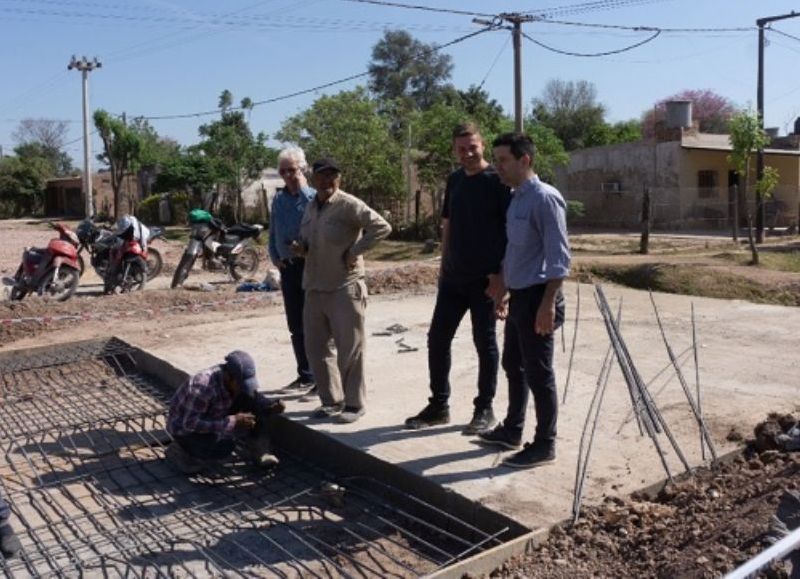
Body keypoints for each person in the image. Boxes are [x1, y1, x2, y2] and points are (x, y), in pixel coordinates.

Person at [405, 122, 511, 434]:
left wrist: (502, 279)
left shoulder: (498, 181)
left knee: (485, 343)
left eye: (472, 147)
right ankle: (439, 405)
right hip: (453, 279)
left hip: (485, 281)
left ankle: (485, 408)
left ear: (482, 145)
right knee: (437, 340)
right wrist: (442, 265)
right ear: (455, 149)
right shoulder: (454, 180)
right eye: (461, 148)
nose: (467, 153)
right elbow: (447, 224)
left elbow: (511, 233)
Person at [477, 132, 571, 469]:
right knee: (512, 365)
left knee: (538, 372)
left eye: (503, 160)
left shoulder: (545, 198)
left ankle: (545, 443)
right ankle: (512, 429)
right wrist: (504, 286)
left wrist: (548, 304)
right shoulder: (516, 197)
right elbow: (515, 249)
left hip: (538, 299)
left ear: (524, 160)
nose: (497, 167)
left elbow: (559, 258)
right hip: (520, 296)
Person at [295, 157, 391, 424]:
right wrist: (300, 247)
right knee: (316, 348)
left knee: (350, 348)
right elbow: (308, 240)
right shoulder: (311, 207)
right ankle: (330, 400)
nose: (327, 181)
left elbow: (382, 227)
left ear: (339, 179)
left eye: (332, 176)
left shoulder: (349, 204)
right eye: (322, 176)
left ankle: (354, 404)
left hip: (344, 286)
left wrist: (355, 251)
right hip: (314, 285)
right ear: (312, 179)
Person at [166, 350, 285, 473]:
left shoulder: (234, 383)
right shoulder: (202, 386)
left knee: (251, 400)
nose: (242, 388)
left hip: (213, 415)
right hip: (185, 431)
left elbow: (253, 397)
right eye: (239, 384)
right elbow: (190, 424)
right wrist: (233, 421)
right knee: (223, 447)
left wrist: (269, 406)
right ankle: (179, 450)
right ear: (228, 376)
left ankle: (260, 451)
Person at [268, 147, 316, 395]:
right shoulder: (278, 199)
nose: (287, 175)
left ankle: (321, 378)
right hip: (288, 268)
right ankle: (305, 374)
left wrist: (303, 187)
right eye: (283, 170)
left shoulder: (312, 197)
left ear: (302, 169)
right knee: (295, 324)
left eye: (292, 170)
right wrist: (275, 257)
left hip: (309, 267)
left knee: (315, 324)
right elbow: (273, 231)